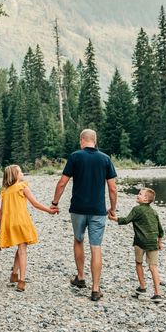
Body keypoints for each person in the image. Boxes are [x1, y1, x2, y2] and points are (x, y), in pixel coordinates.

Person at [51, 128, 117, 301]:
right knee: (96, 246)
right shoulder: (105, 159)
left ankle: (80, 278)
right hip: (98, 210)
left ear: (82, 140)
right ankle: (95, 289)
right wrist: (113, 209)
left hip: (78, 208)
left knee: (78, 240)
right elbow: (112, 188)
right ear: (95, 140)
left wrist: (55, 203)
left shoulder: (75, 157)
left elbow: (62, 183)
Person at [0, 164, 57, 292]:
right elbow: (35, 203)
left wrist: (2, 227)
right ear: (15, 175)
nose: (22, 173)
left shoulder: (5, 191)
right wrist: (49, 210)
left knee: (21, 247)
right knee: (23, 251)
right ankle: (21, 281)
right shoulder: (22, 187)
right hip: (22, 222)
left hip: (10, 223)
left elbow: (2, 212)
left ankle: (14, 274)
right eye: (20, 171)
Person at [108, 187, 164, 303]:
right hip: (153, 242)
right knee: (153, 267)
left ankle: (142, 287)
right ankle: (157, 293)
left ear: (145, 200)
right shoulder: (154, 212)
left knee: (139, 263)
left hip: (140, 242)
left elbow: (126, 220)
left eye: (140, 194)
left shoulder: (137, 209)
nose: (137, 195)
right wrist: (159, 243)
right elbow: (160, 230)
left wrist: (114, 218)